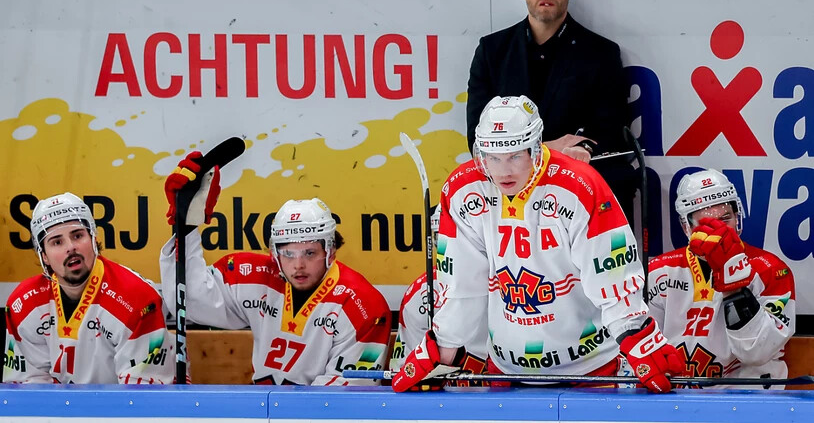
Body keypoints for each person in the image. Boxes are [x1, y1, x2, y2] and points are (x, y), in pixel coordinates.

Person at [392, 96, 683, 393]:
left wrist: (637, 336)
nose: (504, 171)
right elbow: (461, 284)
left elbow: (612, 270)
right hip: (506, 368)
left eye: (515, 156)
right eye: (493, 157)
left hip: (590, 367)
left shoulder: (579, 184)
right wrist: (443, 349)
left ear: (534, 148)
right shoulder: (463, 190)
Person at [159, 153, 391, 385]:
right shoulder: (257, 277)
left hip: (312, 410)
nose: (298, 265)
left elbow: (348, 394)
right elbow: (191, 303)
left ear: (330, 250)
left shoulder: (363, 307)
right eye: (288, 254)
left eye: (310, 253)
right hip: (263, 406)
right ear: (275, 253)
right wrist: (186, 225)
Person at [465, 0, 635, 220]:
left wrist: (583, 148)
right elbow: (477, 142)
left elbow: (612, 131)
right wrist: (547, 150)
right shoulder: (492, 51)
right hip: (510, 191)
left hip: (577, 186)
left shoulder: (602, 53)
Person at [3, 193, 174, 384]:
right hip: (58, 404)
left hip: (123, 402)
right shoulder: (25, 303)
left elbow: (143, 394)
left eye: (77, 236)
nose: (70, 247)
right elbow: (27, 387)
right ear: (44, 256)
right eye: (57, 242)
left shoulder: (136, 297)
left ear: (93, 238)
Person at [646, 169, 795, 388]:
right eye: (706, 223)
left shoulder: (771, 270)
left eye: (726, 218)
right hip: (677, 397)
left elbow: (756, 352)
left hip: (749, 397)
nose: (719, 230)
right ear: (686, 226)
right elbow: (644, 348)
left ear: (737, 216)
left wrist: (734, 289)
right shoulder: (659, 271)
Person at [390, 208, 488, 386]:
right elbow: (404, 373)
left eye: (469, 240)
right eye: (445, 239)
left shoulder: (521, 287)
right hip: (445, 400)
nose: (459, 249)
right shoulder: (421, 293)